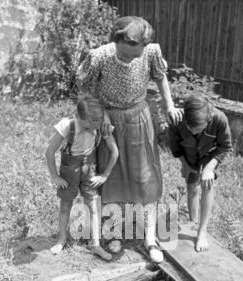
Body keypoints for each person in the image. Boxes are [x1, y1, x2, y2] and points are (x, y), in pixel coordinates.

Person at [77, 16, 183, 264]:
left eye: (133, 55)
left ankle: (149, 238)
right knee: (108, 175)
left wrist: (169, 105)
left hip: (138, 119)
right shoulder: (100, 56)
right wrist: (100, 113)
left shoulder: (151, 52)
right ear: (116, 42)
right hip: (109, 123)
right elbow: (84, 86)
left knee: (144, 176)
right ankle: (110, 230)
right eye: (124, 54)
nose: (129, 59)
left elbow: (160, 76)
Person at [45, 93, 119, 260]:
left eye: (97, 122)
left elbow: (114, 151)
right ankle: (61, 239)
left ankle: (95, 245)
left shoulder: (99, 124)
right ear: (78, 116)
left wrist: (105, 175)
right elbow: (49, 152)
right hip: (68, 171)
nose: (94, 127)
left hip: (89, 171)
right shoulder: (67, 125)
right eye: (89, 124)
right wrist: (55, 177)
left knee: (93, 207)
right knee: (65, 206)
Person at [168, 94, 233, 252]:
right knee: (191, 187)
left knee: (207, 184)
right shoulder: (177, 120)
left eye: (197, 128)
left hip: (209, 156)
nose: (192, 130)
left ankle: (201, 231)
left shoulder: (219, 119)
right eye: (189, 127)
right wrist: (184, 165)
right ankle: (193, 223)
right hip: (189, 156)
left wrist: (209, 169)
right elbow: (175, 146)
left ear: (208, 118)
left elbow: (225, 147)